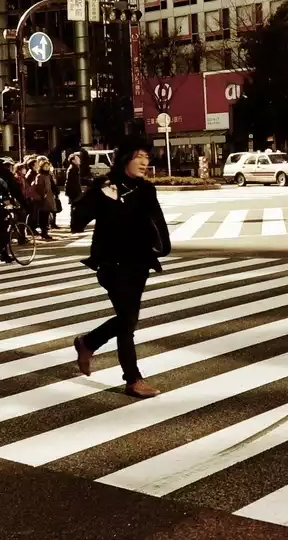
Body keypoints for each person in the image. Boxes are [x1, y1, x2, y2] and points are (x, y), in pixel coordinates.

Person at [71, 140, 173, 398]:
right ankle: (133, 379)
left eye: (146, 158)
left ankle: (88, 343)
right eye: (138, 156)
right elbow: (77, 221)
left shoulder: (146, 190)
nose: (143, 162)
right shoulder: (105, 186)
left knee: (128, 321)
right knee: (127, 322)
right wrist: (103, 199)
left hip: (139, 264)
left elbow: (158, 223)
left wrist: (162, 249)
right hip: (112, 264)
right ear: (125, 158)